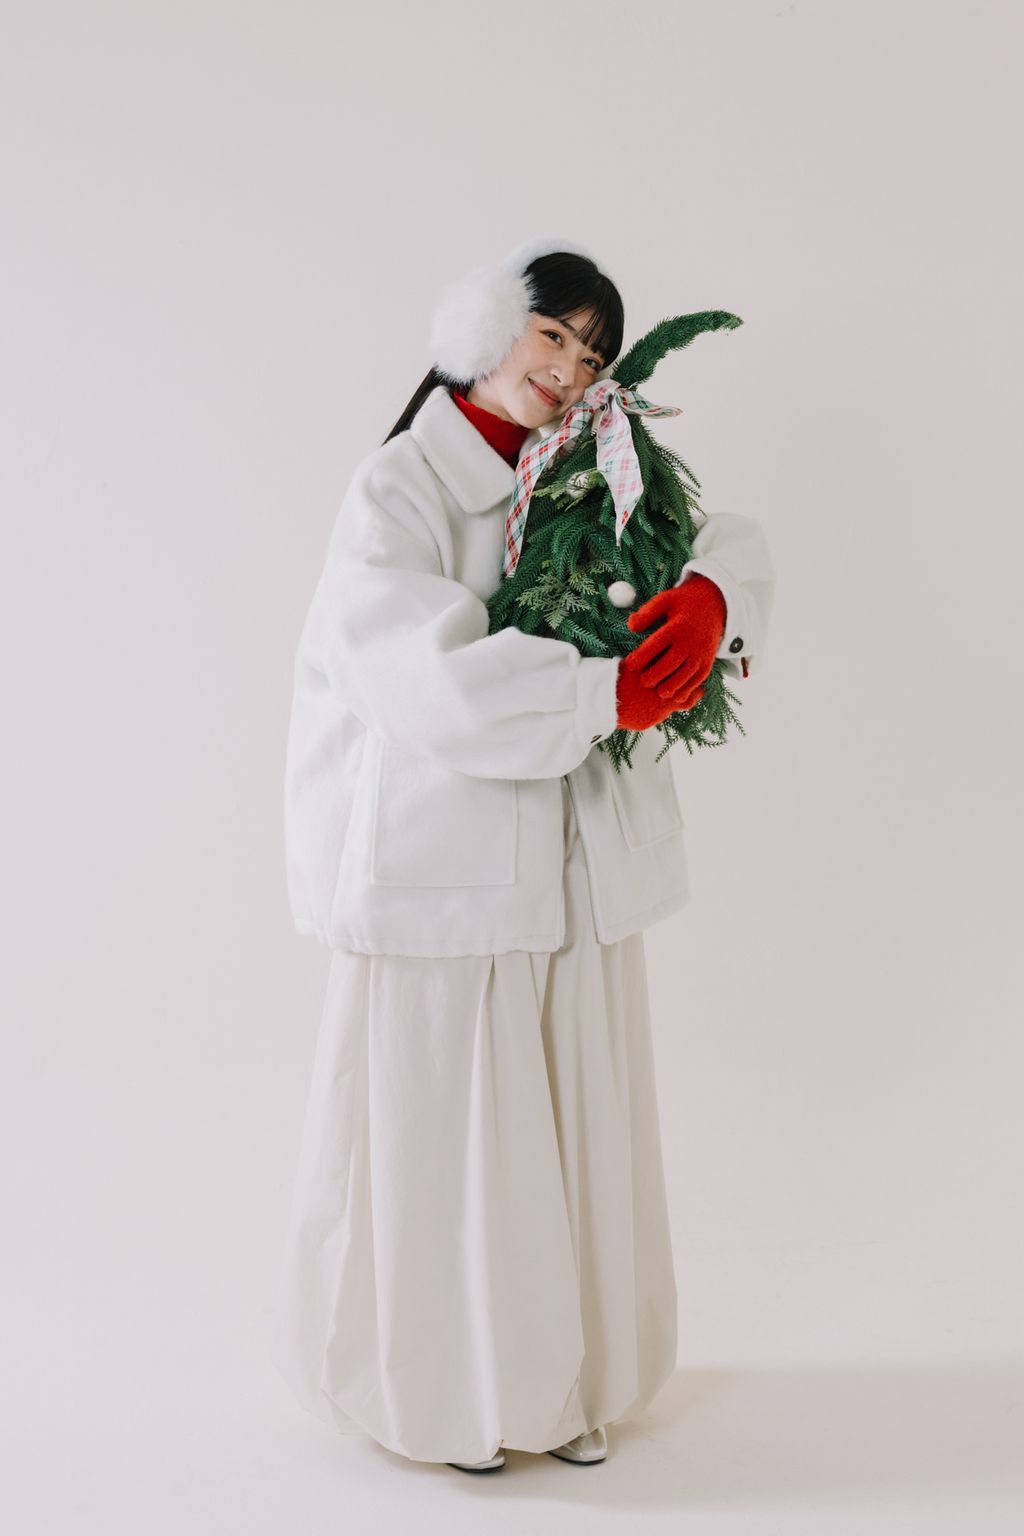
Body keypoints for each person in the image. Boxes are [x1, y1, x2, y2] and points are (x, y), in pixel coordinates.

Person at [271, 236, 776, 1473]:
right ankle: (452, 1402)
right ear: (485, 327)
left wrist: (713, 599)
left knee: (576, 1131)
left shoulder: (596, 467)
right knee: (451, 1147)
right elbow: (420, 675)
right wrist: (604, 691)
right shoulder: (398, 489)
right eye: (553, 333)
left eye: (594, 353)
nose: (569, 367)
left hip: (571, 873)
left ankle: (570, 1391)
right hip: (442, 882)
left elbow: (718, 537)